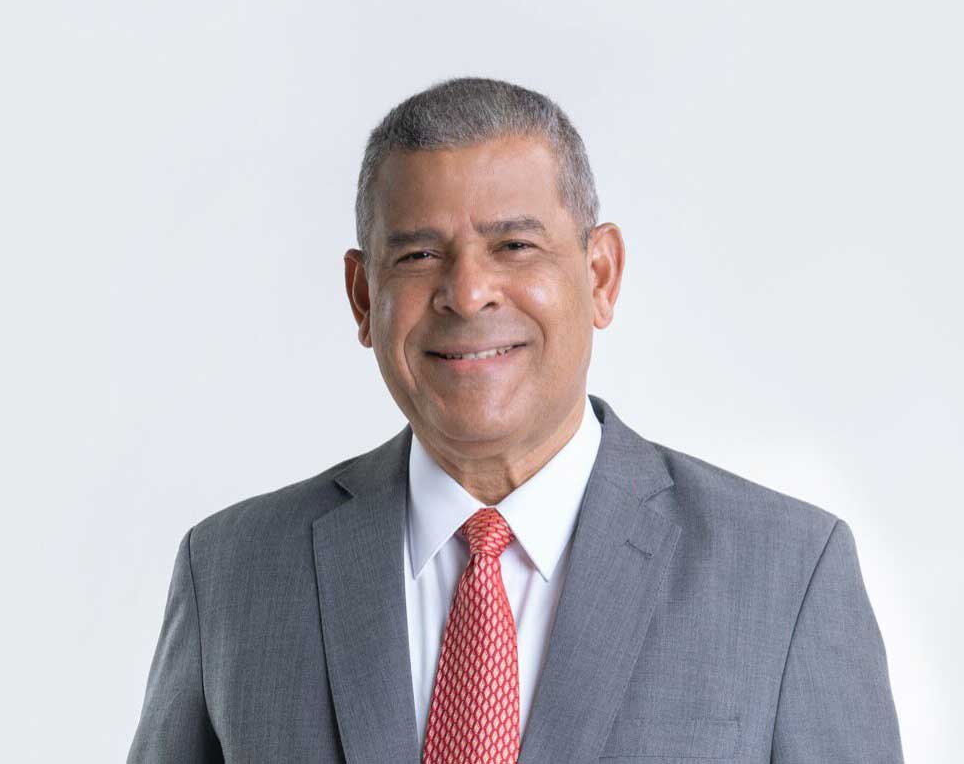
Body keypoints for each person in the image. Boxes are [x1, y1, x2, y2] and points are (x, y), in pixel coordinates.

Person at [127, 77, 904, 764]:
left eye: (514, 245)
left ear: (599, 275)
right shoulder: (233, 573)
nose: (468, 293)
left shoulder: (785, 572)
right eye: (418, 256)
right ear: (363, 297)